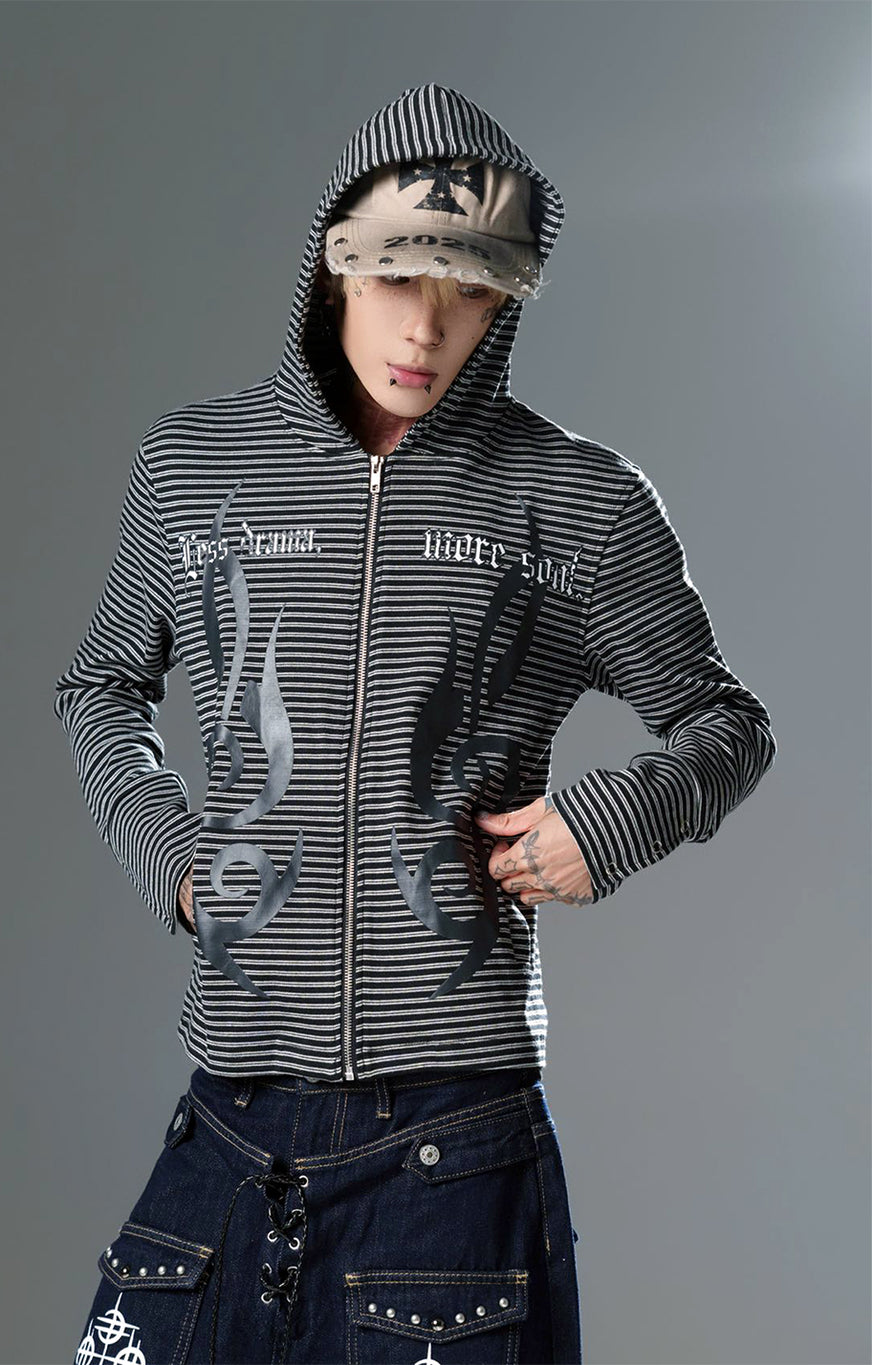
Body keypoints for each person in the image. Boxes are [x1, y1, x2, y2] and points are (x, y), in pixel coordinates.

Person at [56, 84, 776, 1365]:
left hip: (453, 1149)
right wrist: (173, 856)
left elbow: (724, 725)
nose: (426, 327)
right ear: (334, 262)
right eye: (398, 279)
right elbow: (100, 686)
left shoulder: (579, 499)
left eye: (471, 291)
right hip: (227, 1123)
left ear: (507, 303)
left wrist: (607, 825)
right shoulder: (195, 465)